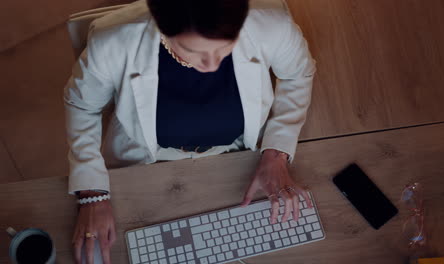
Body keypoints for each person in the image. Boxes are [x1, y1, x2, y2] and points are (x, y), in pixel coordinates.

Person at [64, 0, 316, 263]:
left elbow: (298, 74)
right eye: (191, 50)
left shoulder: (273, 25)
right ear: (162, 28)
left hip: (240, 154)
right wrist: (91, 193)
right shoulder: (113, 41)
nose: (211, 65)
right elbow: (81, 105)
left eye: (224, 46)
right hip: (144, 159)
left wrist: (276, 154)